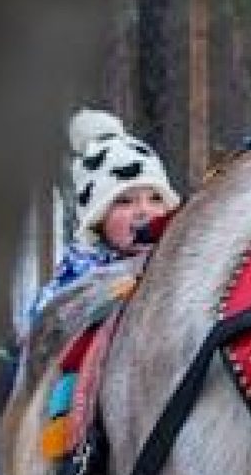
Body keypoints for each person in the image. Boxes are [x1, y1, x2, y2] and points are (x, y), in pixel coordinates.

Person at [27, 108, 181, 325]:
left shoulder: (177, 265)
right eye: (124, 201)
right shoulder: (78, 277)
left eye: (156, 199)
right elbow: (44, 325)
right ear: (97, 218)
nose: (143, 210)